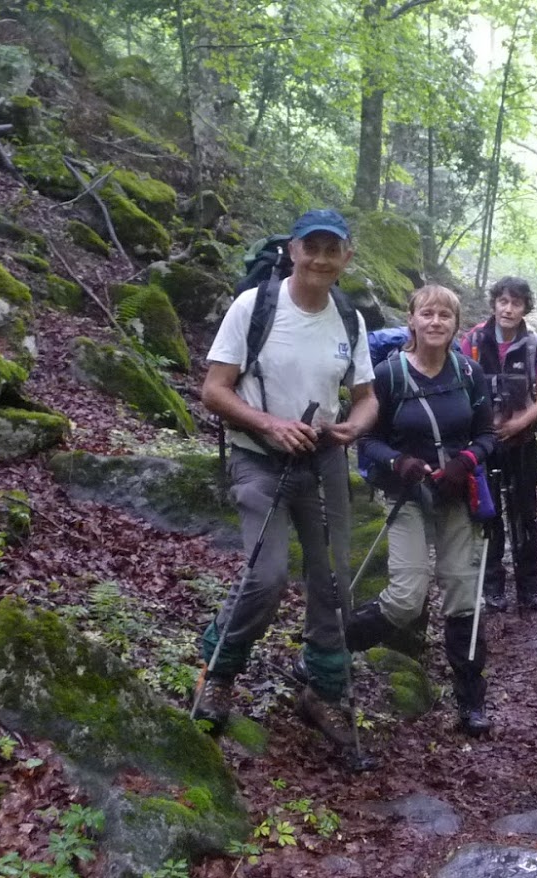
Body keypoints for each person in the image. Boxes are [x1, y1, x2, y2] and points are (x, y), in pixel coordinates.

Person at [194, 209, 378, 754]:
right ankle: (218, 672)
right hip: (259, 457)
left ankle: (322, 688)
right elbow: (214, 389)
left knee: (332, 580)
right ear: (293, 250)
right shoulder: (256, 307)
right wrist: (270, 424)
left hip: (322, 462)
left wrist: (353, 428)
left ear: (346, 257)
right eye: (311, 247)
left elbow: (366, 396)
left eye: (332, 249)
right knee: (267, 574)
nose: (321, 258)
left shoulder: (349, 318)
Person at [353, 285, 497, 736]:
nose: (436, 323)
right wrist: (400, 462)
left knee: (463, 594)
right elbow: (365, 439)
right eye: (428, 314)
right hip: (406, 495)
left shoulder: (470, 373)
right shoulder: (387, 375)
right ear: (411, 319)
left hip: (459, 494)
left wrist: (465, 462)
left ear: (456, 325)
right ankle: (328, 650)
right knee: (405, 597)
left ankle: (471, 702)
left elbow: (488, 436)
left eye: (445, 316)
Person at [461, 277, 537, 612]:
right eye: (502, 301)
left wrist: (520, 422)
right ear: (494, 304)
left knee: (524, 514)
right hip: (483, 445)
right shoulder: (472, 341)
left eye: (516, 303)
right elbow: (461, 386)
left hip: (523, 441)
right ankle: (493, 584)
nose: (508, 308)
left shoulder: (535, 346)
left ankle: (530, 586)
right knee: (489, 513)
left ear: (525, 307)